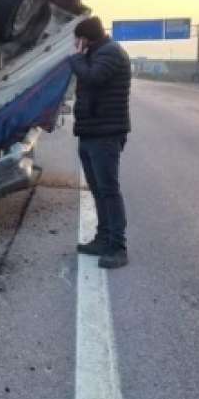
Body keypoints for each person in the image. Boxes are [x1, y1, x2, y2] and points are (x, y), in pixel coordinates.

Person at [68, 16, 131, 269]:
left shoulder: (110, 53)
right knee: (97, 190)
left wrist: (77, 59)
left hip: (106, 134)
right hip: (92, 131)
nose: (76, 44)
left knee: (108, 190)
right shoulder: (99, 52)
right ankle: (103, 238)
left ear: (86, 38)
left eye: (78, 39)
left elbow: (93, 78)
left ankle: (118, 247)